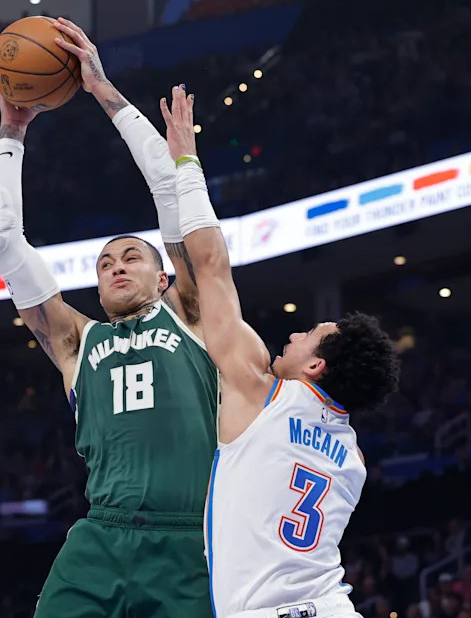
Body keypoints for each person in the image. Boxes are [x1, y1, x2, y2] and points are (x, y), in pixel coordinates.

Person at [0, 18, 217, 617]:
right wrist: (12, 132)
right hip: (100, 539)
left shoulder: (190, 314)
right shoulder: (73, 342)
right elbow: (2, 237)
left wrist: (103, 92)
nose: (115, 265)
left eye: (131, 256)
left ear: (163, 276)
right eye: (105, 261)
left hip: (190, 538)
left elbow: (171, 188)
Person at [160, 84, 400, 618]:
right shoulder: (354, 457)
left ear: (316, 365)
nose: (291, 336)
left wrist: (185, 162)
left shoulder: (259, 393)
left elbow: (212, 266)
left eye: (306, 335)